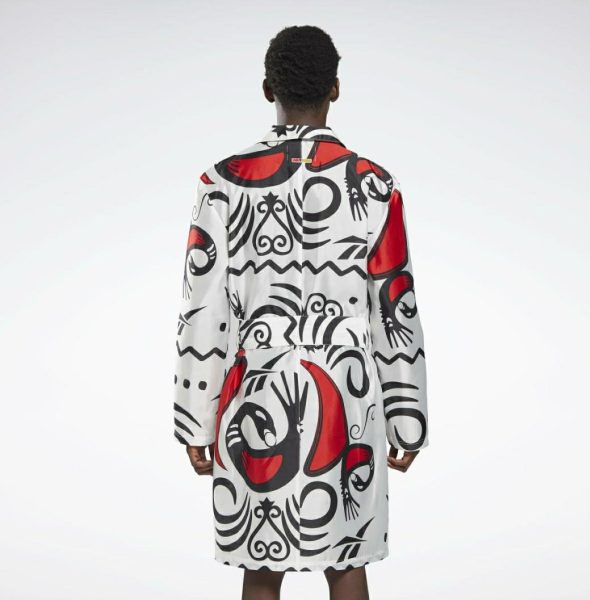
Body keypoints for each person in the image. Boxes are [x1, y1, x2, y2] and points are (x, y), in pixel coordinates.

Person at [173, 25, 429, 600]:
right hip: (348, 393)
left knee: (261, 564)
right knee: (347, 559)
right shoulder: (374, 185)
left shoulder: (221, 184)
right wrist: (407, 413)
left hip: (256, 391)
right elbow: (395, 304)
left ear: (268, 89)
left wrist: (195, 417)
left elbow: (202, 308)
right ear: (335, 89)